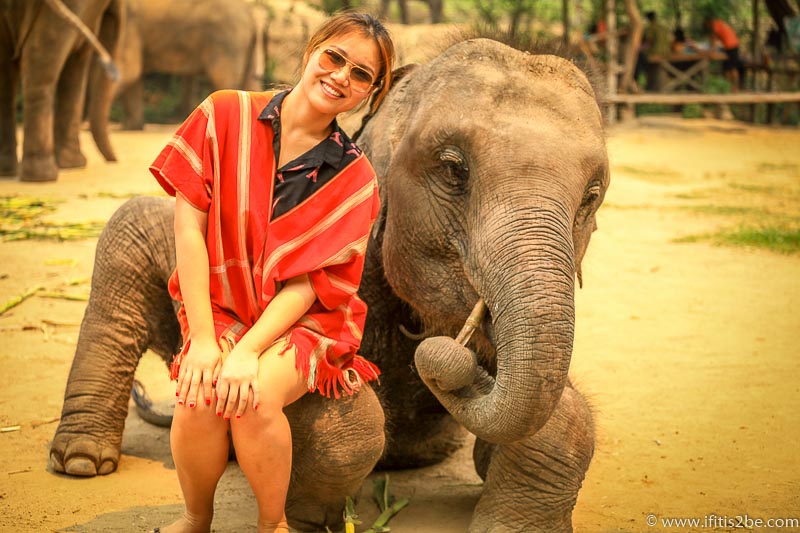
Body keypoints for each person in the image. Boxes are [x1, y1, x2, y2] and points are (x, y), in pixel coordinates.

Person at [148, 12, 395, 533]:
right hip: (222, 301)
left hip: (303, 320)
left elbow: (308, 285)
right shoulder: (222, 115)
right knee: (198, 394)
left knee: (254, 396)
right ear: (312, 51)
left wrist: (246, 351)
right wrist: (205, 343)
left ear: (369, 93)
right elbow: (188, 230)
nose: (340, 76)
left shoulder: (355, 179)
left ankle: (272, 525)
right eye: (335, 57)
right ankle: (195, 520)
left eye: (360, 74)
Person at [704, 15, 744, 91]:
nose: (707, 27)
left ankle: (735, 87)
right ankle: (728, 87)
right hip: (729, 46)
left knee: (733, 68)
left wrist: (711, 52)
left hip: (732, 46)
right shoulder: (719, 23)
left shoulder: (715, 26)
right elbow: (716, 39)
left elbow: (714, 43)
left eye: (707, 25)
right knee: (726, 68)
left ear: (709, 22)